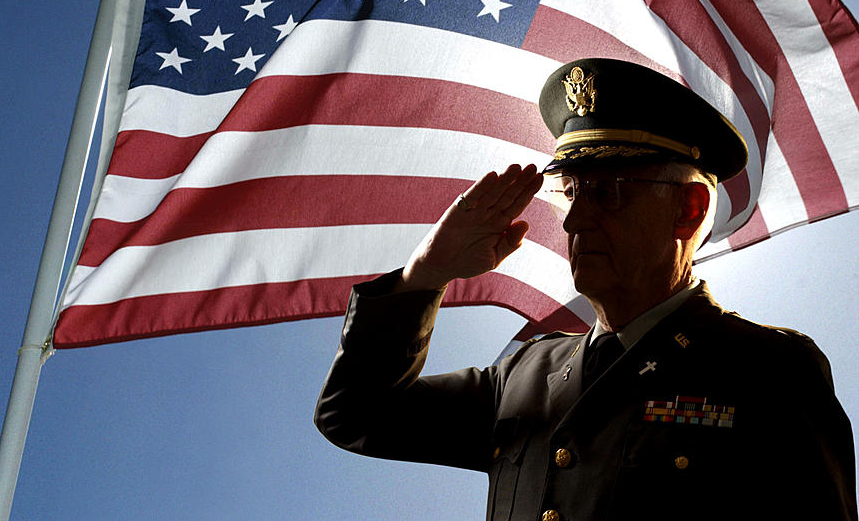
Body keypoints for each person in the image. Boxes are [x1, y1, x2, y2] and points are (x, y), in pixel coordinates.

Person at [314, 58, 857, 520]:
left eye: (609, 192)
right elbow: (355, 416)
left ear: (688, 210)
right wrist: (425, 276)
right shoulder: (525, 374)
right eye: (570, 192)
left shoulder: (766, 369)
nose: (575, 222)